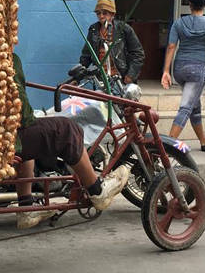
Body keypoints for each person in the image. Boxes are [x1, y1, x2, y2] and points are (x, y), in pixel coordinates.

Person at [8, 52, 129, 229]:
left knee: (34, 139)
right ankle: (97, 190)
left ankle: (26, 207)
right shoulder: (5, 59)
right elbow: (22, 113)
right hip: (4, 136)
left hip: (1, 133)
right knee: (67, 128)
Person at [161, 0, 205, 151]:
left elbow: (172, 46)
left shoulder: (179, 23)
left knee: (194, 105)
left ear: (189, 4)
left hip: (179, 69)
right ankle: (167, 145)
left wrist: (166, 71)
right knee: (186, 107)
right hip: (197, 70)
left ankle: (204, 141)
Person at [80, 0, 144, 84]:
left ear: (112, 14)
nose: (101, 16)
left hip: (121, 78)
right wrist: (77, 78)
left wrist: (131, 75)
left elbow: (138, 54)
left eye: (105, 13)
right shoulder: (93, 30)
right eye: (98, 13)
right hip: (101, 80)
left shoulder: (124, 28)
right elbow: (86, 56)